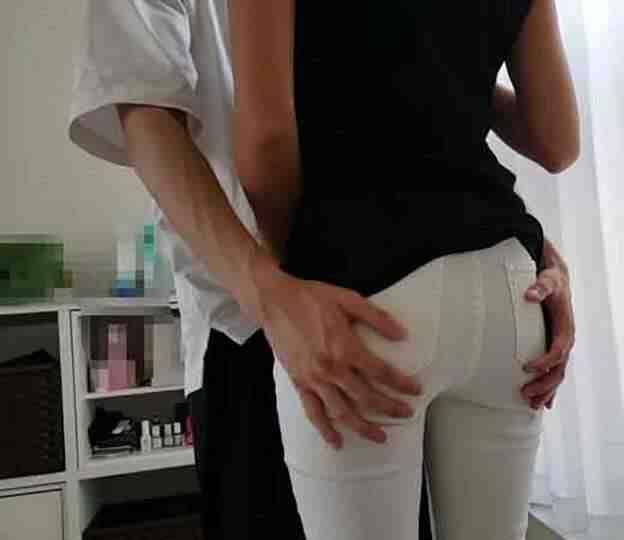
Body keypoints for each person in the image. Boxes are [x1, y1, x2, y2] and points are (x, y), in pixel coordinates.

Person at [66, 1, 576, 539]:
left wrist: (305, 267)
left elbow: (276, 140)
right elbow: (144, 112)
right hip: (254, 306)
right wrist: (271, 290)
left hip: (354, 283)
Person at [229, 1, 579, 539]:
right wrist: (439, 60)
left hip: (359, 292)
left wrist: (289, 274)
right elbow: (557, 140)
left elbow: (266, 142)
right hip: (505, 284)